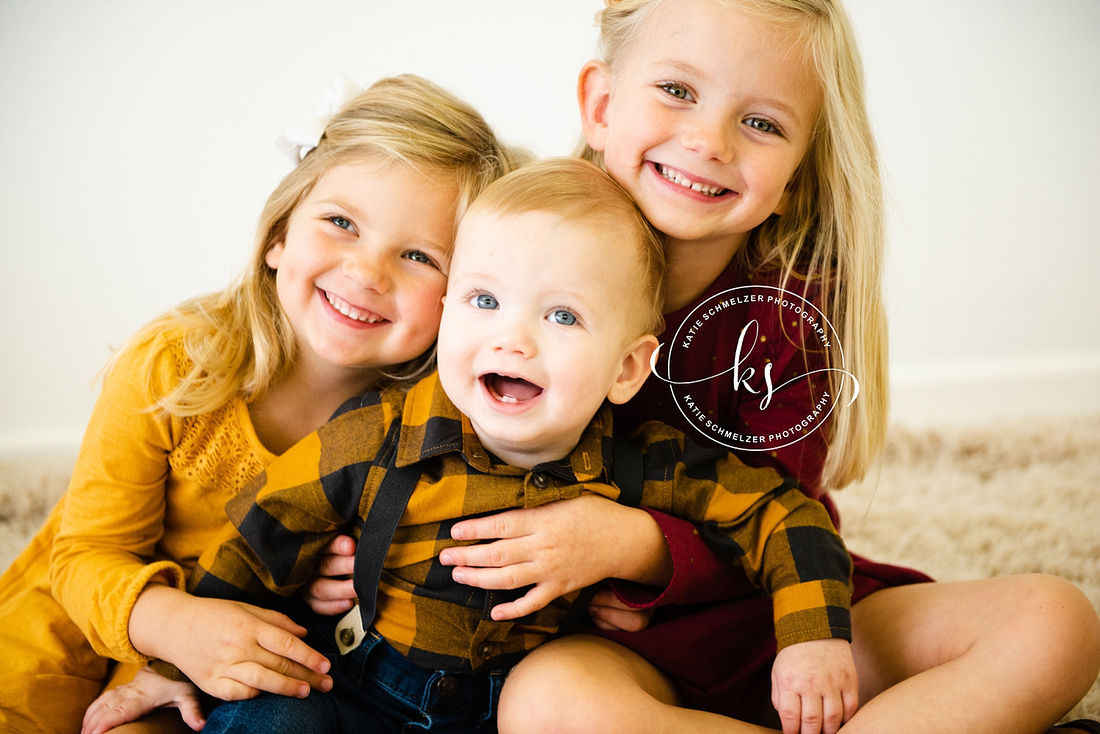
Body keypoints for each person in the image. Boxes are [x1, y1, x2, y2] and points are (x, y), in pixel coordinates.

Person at [427, 2, 1100, 733]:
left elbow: (785, 513)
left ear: (796, 175)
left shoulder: (788, 317)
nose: (707, 141)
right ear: (601, 104)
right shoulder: (515, 261)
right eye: (678, 91)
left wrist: (631, 543)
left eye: (762, 123)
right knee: (545, 707)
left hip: (784, 616)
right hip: (619, 644)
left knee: (1055, 620)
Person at [114, 157, 856, 734]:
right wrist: (171, 659)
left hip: (514, 713)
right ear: (447, 315)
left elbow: (784, 515)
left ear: (629, 368)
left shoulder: (640, 462)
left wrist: (813, 639)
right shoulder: (377, 435)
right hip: (361, 693)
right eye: (484, 301)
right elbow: (261, 536)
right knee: (269, 715)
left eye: (562, 316)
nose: (513, 337)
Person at [0, 73, 522, 734]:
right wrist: (177, 626)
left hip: (257, 657)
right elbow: (86, 556)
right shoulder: (173, 367)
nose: (366, 272)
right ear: (279, 236)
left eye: (419, 255)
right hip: (99, 622)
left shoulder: (431, 421)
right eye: (340, 223)